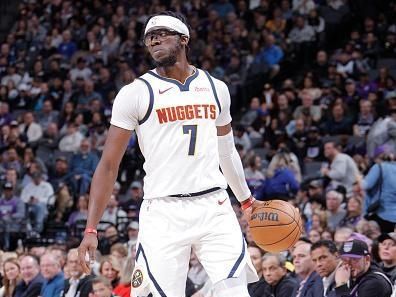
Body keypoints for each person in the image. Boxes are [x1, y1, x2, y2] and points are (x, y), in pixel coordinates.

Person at [78, 11, 260, 297]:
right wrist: (91, 229)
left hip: (214, 205)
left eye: (163, 33)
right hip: (163, 211)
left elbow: (226, 150)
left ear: (184, 39)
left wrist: (247, 201)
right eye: (150, 37)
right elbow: (109, 165)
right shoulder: (135, 93)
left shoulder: (216, 88)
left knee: (235, 293)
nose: (155, 40)